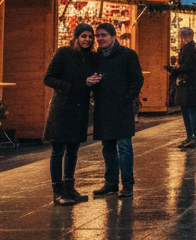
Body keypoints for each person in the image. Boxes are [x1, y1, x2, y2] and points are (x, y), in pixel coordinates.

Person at [43, 23, 99, 205]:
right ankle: (57, 191)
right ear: (76, 37)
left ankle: (70, 188)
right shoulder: (63, 54)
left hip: (80, 107)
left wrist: (93, 82)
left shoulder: (90, 57)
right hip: (62, 107)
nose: (87, 40)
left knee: (73, 150)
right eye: (84, 36)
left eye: (90, 37)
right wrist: (73, 86)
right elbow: (48, 78)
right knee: (58, 150)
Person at [92, 23, 144, 196]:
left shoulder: (128, 55)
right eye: (97, 35)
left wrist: (126, 99)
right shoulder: (96, 57)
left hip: (121, 108)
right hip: (104, 108)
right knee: (107, 147)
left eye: (103, 35)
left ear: (113, 37)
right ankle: (111, 183)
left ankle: (127, 184)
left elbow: (137, 80)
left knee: (124, 147)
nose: (100, 39)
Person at [166, 26, 196, 149]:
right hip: (188, 83)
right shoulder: (189, 48)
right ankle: (191, 137)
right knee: (188, 111)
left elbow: (187, 66)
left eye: (181, 36)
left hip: (188, 84)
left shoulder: (189, 49)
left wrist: (174, 69)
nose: (179, 39)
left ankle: (192, 137)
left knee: (189, 111)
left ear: (185, 37)